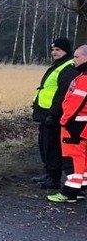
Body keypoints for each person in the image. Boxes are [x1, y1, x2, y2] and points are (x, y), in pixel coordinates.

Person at [31, 37, 79, 190]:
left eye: (57, 49)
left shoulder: (68, 67)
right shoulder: (59, 65)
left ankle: (53, 178)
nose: (54, 52)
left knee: (52, 147)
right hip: (45, 113)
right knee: (44, 144)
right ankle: (48, 174)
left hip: (54, 114)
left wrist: (54, 113)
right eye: (53, 49)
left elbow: (63, 93)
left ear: (66, 50)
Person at [48, 44, 87, 203]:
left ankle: (69, 192)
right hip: (81, 125)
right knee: (82, 158)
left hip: (75, 125)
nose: (74, 60)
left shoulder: (84, 79)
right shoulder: (82, 75)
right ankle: (81, 188)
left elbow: (75, 103)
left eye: (77, 57)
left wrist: (64, 121)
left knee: (72, 158)